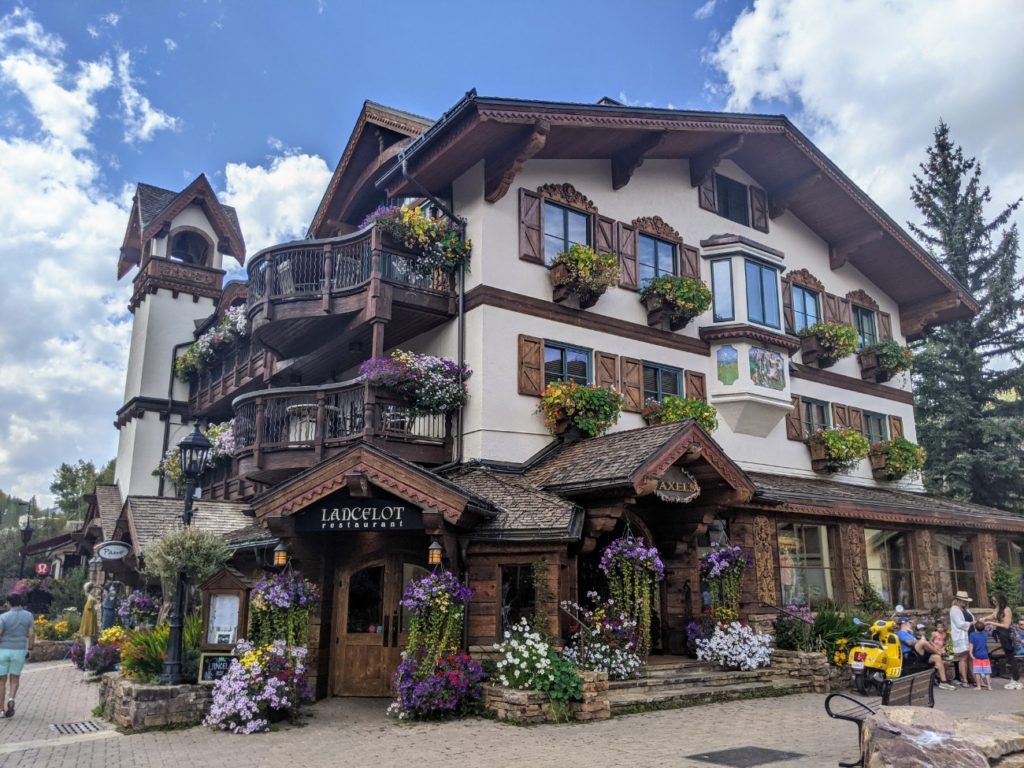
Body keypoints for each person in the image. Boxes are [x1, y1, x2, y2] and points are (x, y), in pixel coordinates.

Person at [0, 593, 35, 718]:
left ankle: (1, 710)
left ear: (8, 603)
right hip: (19, 650)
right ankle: (11, 698)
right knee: (15, 678)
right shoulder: (29, 616)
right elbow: (31, 634)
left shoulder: (3, 617)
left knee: (1, 681)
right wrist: (30, 649)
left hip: (3, 650)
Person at [896, 617, 955, 690]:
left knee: (937, 658)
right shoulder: (901, 633)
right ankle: (941, 654)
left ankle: (943, 682)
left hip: (920, 653)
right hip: (911, 655)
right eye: (909, 623)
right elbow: (909, 643)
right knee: (923, 641)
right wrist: (920, 641)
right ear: (903, 624)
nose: (910, 624)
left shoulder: (909, 633)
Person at [950, 590, 976, 687]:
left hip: (970, 634)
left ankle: (972, 677)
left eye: (966, 601)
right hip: (962, 636)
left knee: (970, 657)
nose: (965, 602)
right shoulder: (954, 609)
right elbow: (959, 624)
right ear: (958, 600)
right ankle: (964, 679)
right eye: (963, 601)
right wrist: (972, 623)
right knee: (963, 658)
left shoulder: (966, 610)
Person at [969, 620, 992, 690]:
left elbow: (971, 646)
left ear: (975, 628)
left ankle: (978, 686)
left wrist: (971, 654)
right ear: (983, 628)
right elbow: (988, 628)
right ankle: (989, 686)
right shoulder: (985, 634)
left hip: (977, 656)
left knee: (977, 672)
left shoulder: (972, 635)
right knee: (987, 672)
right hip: (985, 656)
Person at [79, 582, 100, 653]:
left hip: (88, 624)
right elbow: (92, 611)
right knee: (88, 643)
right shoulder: (91, 600)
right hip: (88, 624)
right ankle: (87, 659)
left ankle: (87, 659)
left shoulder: (90, 599)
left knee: (88, 643)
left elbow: (91, 611)